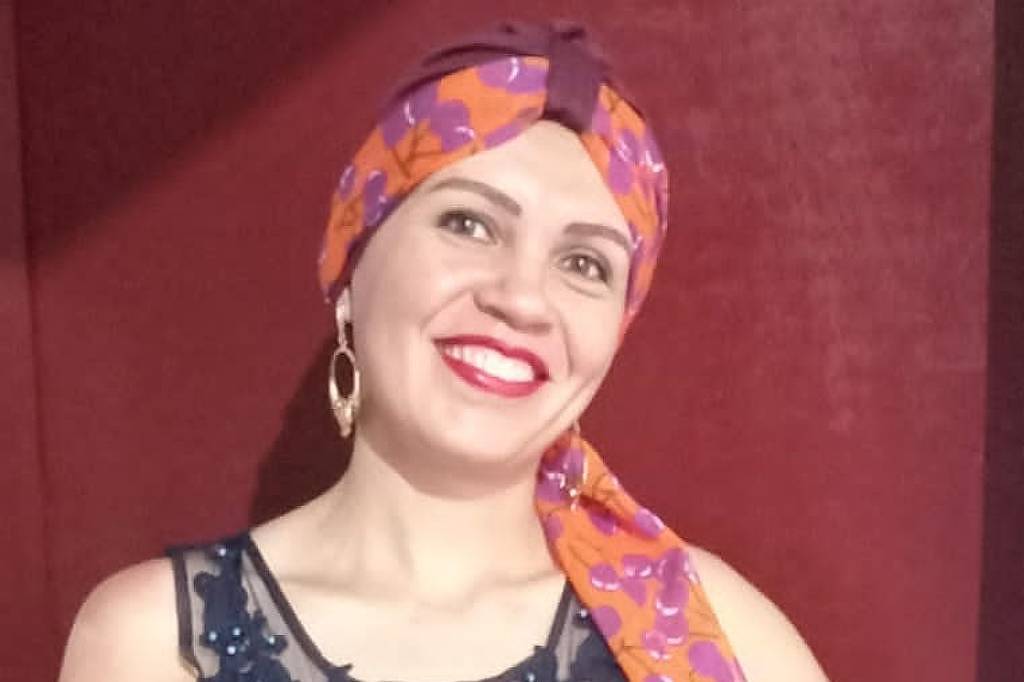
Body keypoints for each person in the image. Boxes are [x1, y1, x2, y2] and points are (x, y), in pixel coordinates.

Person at [59, 22, 828, 682]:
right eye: (470, 224)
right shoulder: (155, 645)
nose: (522, 298)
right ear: (352, 264)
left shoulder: (714, 632)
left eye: (584, 263)